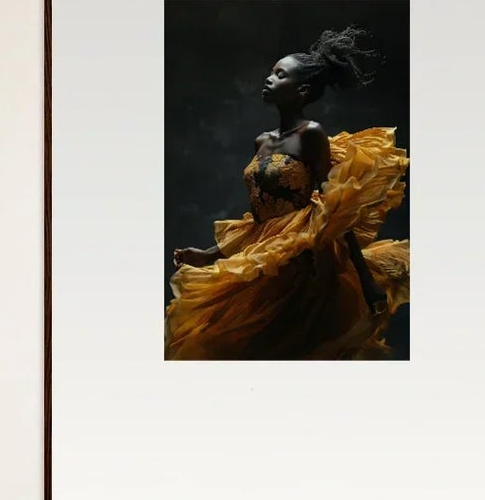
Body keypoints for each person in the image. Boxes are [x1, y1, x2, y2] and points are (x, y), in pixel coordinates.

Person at [165, 26, 410, 361]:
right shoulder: (262, 141)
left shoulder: (311, 135)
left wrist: (365, 280)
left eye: (280, 75)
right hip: (267, 259)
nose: (269, 78)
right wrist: (209, 255)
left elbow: (335, 207)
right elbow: (259, 221)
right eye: (271, 71)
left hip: (303, 264)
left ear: (301, 89)